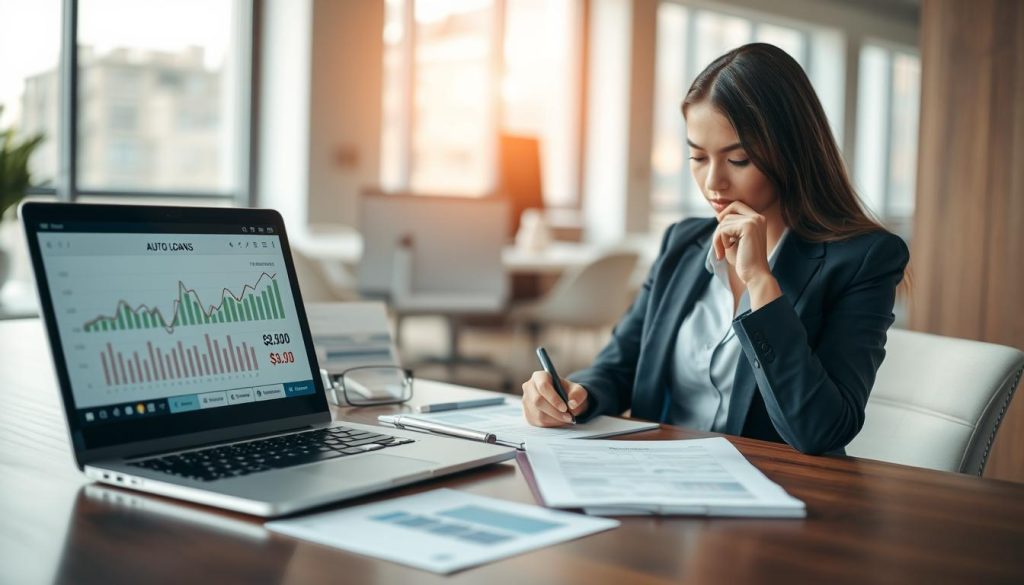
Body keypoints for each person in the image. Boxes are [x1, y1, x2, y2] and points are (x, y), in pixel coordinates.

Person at [521, 43, 909, 455]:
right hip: (658, 475)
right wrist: (574, 394)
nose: (713, 184)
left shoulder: (863, 259)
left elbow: (821, 430)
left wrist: (761, 283)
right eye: (698, 157)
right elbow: (619, 366)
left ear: (792, 152)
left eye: (738, 159)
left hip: (776, 490)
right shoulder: (683, 243)